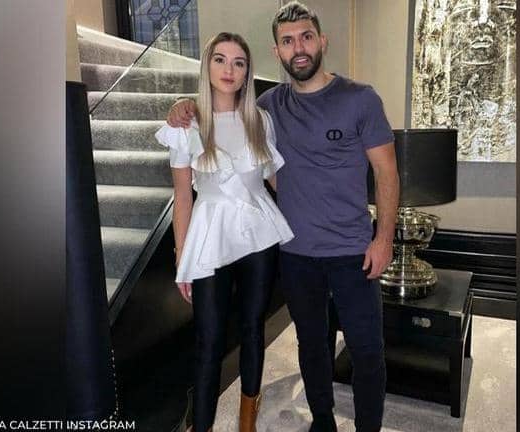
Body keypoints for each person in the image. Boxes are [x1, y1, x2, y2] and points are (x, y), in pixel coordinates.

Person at [167, 3, 399, 431]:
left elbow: (387, 172)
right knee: (311, 346)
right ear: (277, 51)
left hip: (353, 249)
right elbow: (229, 124)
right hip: (295, 251)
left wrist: (384, 238)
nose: (299, 48)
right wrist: (184, 105)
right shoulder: (269, 107)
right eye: (288, 41)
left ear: (321, 41)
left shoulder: (359, 98)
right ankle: (322, 421)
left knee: (367, 349)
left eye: (306, 37)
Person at [155, 32, 294, 432]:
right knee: (210, 339)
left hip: (258, 233)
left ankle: (248, 421)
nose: (229, 70)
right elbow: (183, 197)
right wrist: (182, 257)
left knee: (252, 328)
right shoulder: (187, 123)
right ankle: (201, 424)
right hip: (210, 234)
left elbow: (276, 181)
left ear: (247, 72)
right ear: (207, 66)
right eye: (220, 59)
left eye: (239, 62)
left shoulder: (260, 121)